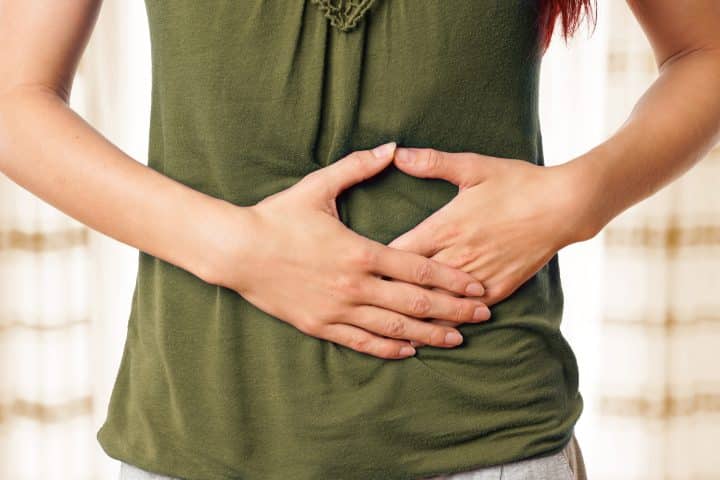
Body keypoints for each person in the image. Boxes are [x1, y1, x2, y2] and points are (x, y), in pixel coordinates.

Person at [1, 1, 719, 479]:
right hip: (200, 436)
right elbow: (13, 95)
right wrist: (238, 249)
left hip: (490, 437)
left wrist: (576, 199)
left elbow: (705, 50)